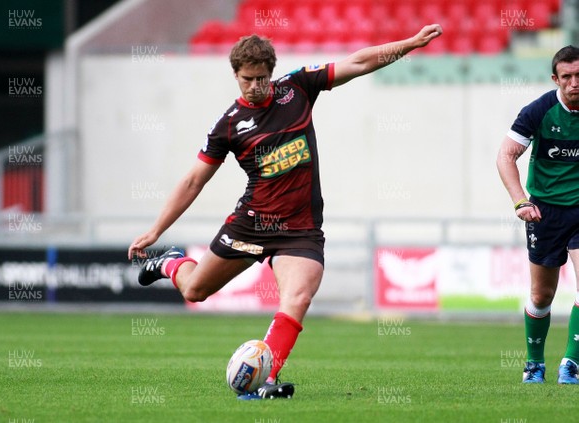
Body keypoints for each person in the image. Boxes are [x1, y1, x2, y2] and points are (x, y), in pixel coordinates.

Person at [128, 24, 443, 399]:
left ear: (272, 74)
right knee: (196, 290)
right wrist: (156, 230)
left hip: (300, 229)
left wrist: (409, 44)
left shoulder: (297, 88)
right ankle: (169, 263)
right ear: (235, 75)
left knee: (298, 298)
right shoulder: (228, 125)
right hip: (252, 224)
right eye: (247, 79)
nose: (255, 86)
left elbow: (358, 62)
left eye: (262, 78)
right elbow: (194, 181)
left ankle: (265, 379)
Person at [496, 45, 579, 384]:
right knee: (542, 296)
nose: (575, 83)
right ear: (555, 79)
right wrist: (521, 201)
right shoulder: (539, 111)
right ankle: (534, 363)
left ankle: (571, 364)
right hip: (544, 214)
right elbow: (505, 156)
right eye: (568, 77)